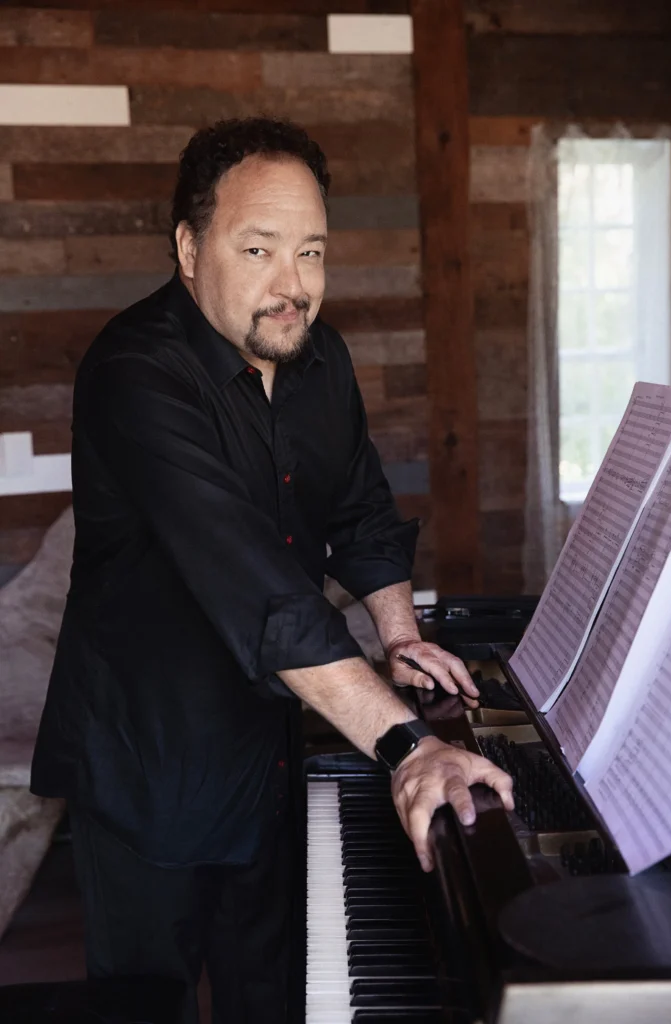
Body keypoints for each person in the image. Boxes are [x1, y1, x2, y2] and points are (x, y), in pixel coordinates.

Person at [31, 118, 513, 1024]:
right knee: (148, 1004)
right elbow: (259, 590)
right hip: (150, 761)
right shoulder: (134, 371)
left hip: (269, 741)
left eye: (311, 252)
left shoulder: (315, 354)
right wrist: (408, 744)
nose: (292, 286)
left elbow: (362, 508)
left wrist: (399, 636)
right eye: (258, 249)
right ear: (187, 247)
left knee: (276, 989)